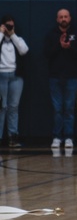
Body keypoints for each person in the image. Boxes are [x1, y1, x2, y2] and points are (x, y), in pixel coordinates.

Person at [44, 8, 77, 155]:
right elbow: (46, 53)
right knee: (57, 109)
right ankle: (56, 137)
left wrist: (70, 47)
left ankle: (68, 137)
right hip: (55, 76)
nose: (63, 19)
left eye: (66, 16)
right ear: (57, 19)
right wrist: (59, 46)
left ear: (70, 18)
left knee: (69, 108)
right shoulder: (51, 34)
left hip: (71, 76)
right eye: (61, 17)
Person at [0, 15, 28, 149]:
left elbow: (24, 50)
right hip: (1, 76)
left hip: (16, 77)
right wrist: (1, 33)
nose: (9, 28)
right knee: (1, 107)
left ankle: (13, 137)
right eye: (7, 25)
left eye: (11, 26)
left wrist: (13, 35)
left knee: (13, 107)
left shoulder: (17, 39)